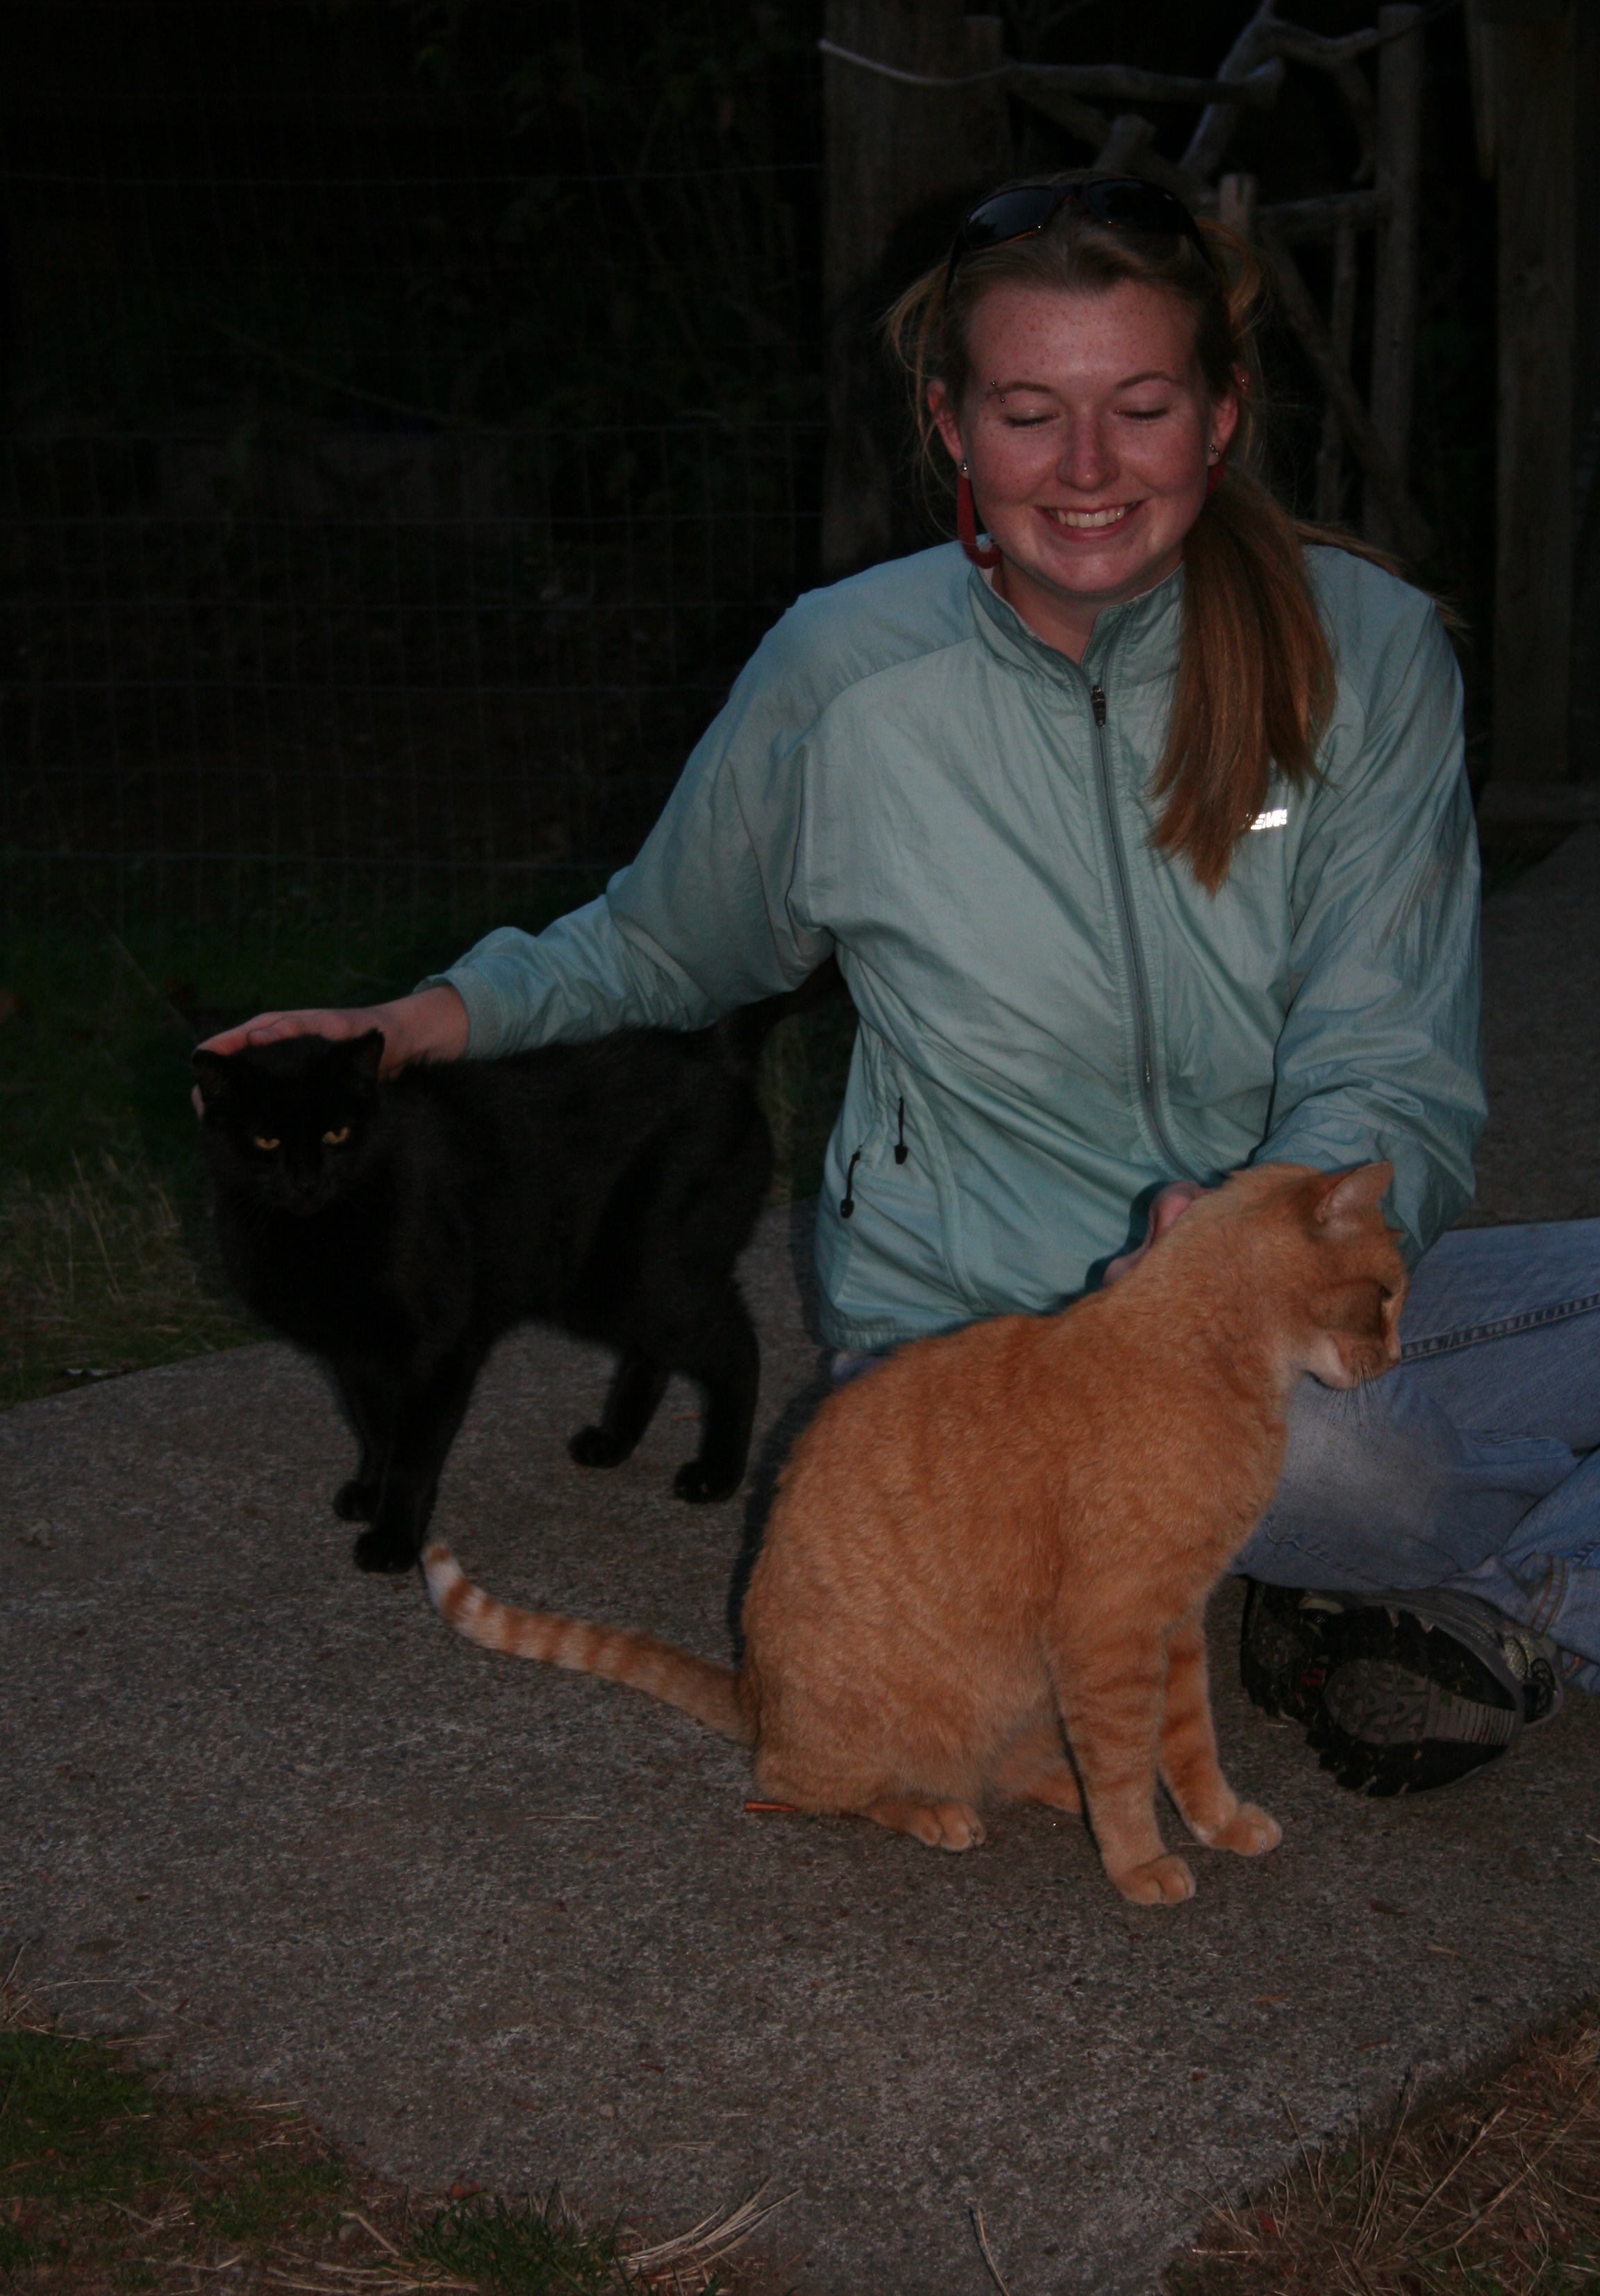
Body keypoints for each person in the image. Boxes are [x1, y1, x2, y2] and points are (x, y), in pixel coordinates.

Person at [206, 171, 1600, 1795]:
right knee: (1357, 1469)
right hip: (976, 1360)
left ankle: (1442, 1596)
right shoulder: (843, 674)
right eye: (1030, 414)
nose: (1087, 469)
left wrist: (1252, 1242)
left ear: (1222, 415)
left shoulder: (1367, 653)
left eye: (1141, 408)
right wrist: (411, 1025)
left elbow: (1391, 1055)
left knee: (1339, 1436)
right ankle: (1467, 1578)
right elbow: (660, 943)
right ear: (953, 427)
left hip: (1256, 1288)